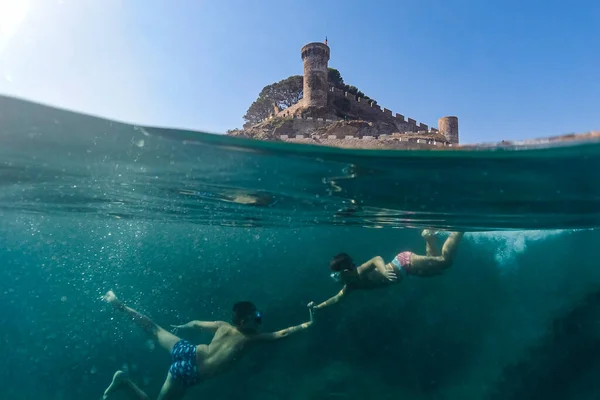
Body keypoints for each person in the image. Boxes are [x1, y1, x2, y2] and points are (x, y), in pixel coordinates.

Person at [101, 290, 314, 400]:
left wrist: (183, 326)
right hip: (189, 373)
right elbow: (281, 334)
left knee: (154, 329)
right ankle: (125, 383)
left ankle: (118, 305)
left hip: (188, 351)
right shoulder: (250, 338)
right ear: (242, 322)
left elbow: (196, 323)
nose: (259, 319)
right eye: (255, 317)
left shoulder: (222, 325)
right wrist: (308, 323)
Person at [308, 230, 464, 311]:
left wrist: (383, 271)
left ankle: (458, 229)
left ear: (346, 271)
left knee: (444, 262)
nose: (335, 278)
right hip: (408, 271)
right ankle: (428, 236)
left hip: (404, 262)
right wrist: (318, 307)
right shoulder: (351, 285)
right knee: (436, 267)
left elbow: (376, 259)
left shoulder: (360, 271)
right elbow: (336, 298)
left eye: (336, 274)